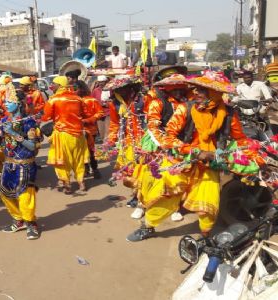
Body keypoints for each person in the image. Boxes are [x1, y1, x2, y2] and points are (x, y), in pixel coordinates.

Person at [127, 73, 255, 241]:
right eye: (197, 89)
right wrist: (194, 151)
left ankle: (206, 236)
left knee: (208, 203)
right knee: (167, 197)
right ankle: (148, 226)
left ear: (215, 94)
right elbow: (168, 137)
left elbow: (240, 139)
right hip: (180, 161)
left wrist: (253, 157)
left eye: (203, 90)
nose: (197, 93)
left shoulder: (229, 114)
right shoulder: (185, 108)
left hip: (209, 165)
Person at [133, 74, 191, 222]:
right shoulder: (157, 103)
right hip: (156, 143)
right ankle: (141, 205)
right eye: (175, 89)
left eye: (181, 89)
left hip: (177, 143)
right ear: (168, 89)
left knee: (175, 176)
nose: (178, 92)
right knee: (149, 175)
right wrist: (165, 143)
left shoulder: (187, 104)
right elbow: (153, 126)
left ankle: (175, 207)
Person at [0, 88, 43, 240]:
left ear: (18, 103)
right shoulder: (4, 121)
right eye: (6, 101)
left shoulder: (29, 122)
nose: (6, 104)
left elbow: (32, 146)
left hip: (25, 165)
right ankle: (18, 219)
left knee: (25, 196)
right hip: (9, 164)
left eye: (10, 101)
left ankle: (31, 223)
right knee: (4, 193)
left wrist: (14, 134)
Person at [43, 76, 89, 194]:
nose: (51, 86)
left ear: (60, 85)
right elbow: (84, 114)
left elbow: (46, 116)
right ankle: (81, 183)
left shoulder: (53, 99)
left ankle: (67, 185)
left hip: (63, 134)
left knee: (63, 160)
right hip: (78, 134)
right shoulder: (78, 98)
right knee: (78, 160)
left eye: (54, 84)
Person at [105, 77, 146, 208]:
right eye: (117, 89)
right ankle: (135, 195)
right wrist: (110, 140)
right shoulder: (114, 104)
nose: (121, 91)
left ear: (131, 87)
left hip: (145, 141)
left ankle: (142, 197)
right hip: (127, 142)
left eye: (123, 88)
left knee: (144, 171)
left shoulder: (143, 100)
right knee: (130, 172)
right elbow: (114, 123)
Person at [75, 80, 104, 179]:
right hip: (77, 130)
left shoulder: (92, 100)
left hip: (90, 130)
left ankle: (95, 169)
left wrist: (88, 120)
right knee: (80, 151)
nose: (74, 91)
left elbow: (100, 113)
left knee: (90, 151)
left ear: (81, 89)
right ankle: (85, 169)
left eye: (76, 88)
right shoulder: (73, 101)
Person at [92, 75, 111, 142]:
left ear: (106, 82)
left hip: (108, 112)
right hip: (99, 113)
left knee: (108, 132)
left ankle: (107, 146)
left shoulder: (110, 89)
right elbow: (92, 101)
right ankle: (104, 146)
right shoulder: (95, 91)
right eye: (99, 82)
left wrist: (108, 104)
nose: (101, 83)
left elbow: (114, 100)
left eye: (102, 82)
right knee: (101, 132)